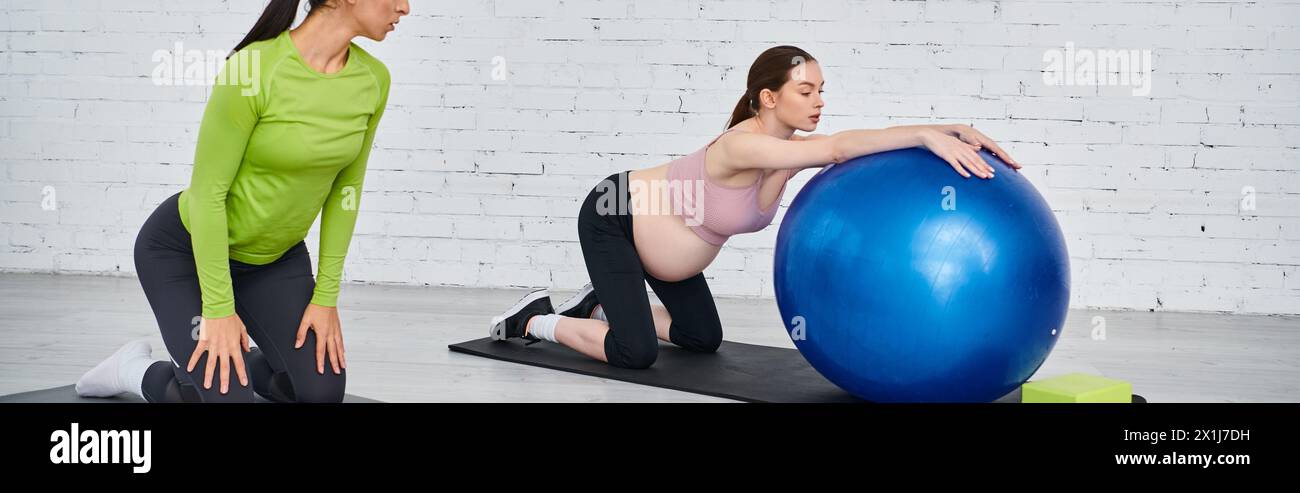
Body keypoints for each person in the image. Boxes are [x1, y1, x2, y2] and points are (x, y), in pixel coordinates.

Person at [489, 45, 1019, 369]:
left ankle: (600, 306)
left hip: (661, 247)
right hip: (616, 214)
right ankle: (535, 321)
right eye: (806, 90)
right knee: (637, 353)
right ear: (769, 97)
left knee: (702, 339)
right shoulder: (743, 146)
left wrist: (945, 127)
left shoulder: (784, 151)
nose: (818, 101)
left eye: (821, 90)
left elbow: (854, 138)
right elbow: (836, 149)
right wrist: (926, 136)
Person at [75, 0, 408, 402]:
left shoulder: (373, 79)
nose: (405, 7)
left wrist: (326, 298)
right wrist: (218, 309)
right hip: (186, 253)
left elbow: (346, 191)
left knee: (320, 394)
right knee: (228, 397)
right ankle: (134, 370)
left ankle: (233, 367)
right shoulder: (253, 69)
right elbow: (207, 195)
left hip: (274, 261)